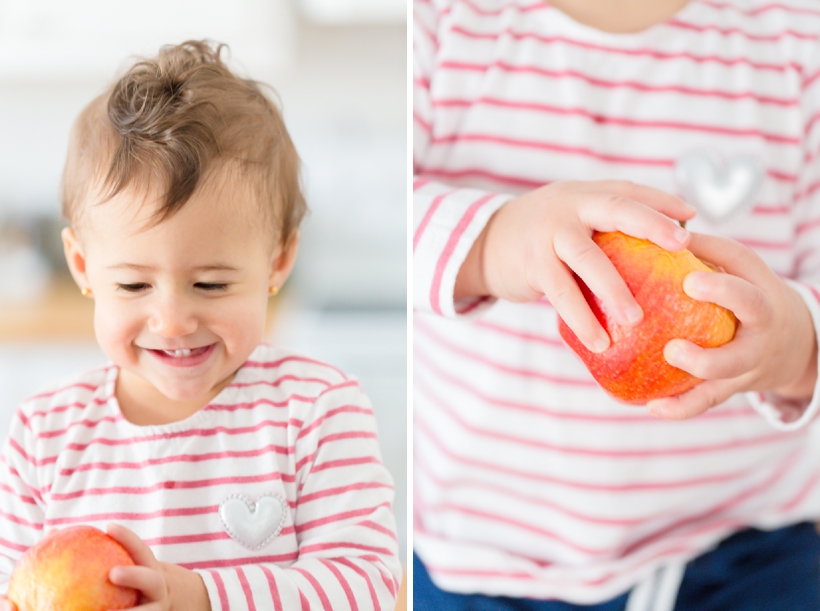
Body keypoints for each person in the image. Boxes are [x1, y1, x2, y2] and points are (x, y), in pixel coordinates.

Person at [413, 0, 820, 609]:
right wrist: (497, 241)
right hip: (482, 561)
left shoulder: (797, 39)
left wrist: (792, 344)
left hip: (742, 552)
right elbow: (382, 223)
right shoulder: (441, 23)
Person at [0, 40, 400, 610]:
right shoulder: (43, 437)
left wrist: (201, 597)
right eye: (134, 286)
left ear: (277, 262)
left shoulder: (316, 410)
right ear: (84, 268)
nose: (172, 320)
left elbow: (369, 586)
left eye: (211, 285)